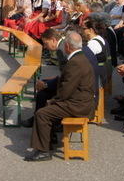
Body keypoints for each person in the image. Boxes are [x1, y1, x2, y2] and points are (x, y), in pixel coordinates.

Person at [24, 31, 95, 162]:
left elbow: (66, 89)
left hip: (78, 105)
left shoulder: (75, 62)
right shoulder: (80, 58)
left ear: (67, 46)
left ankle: (43, 151)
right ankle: (48, 141)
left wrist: (53, 101)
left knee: (42, 113)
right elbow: (67, 83)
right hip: (81, 101)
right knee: (46, 108)